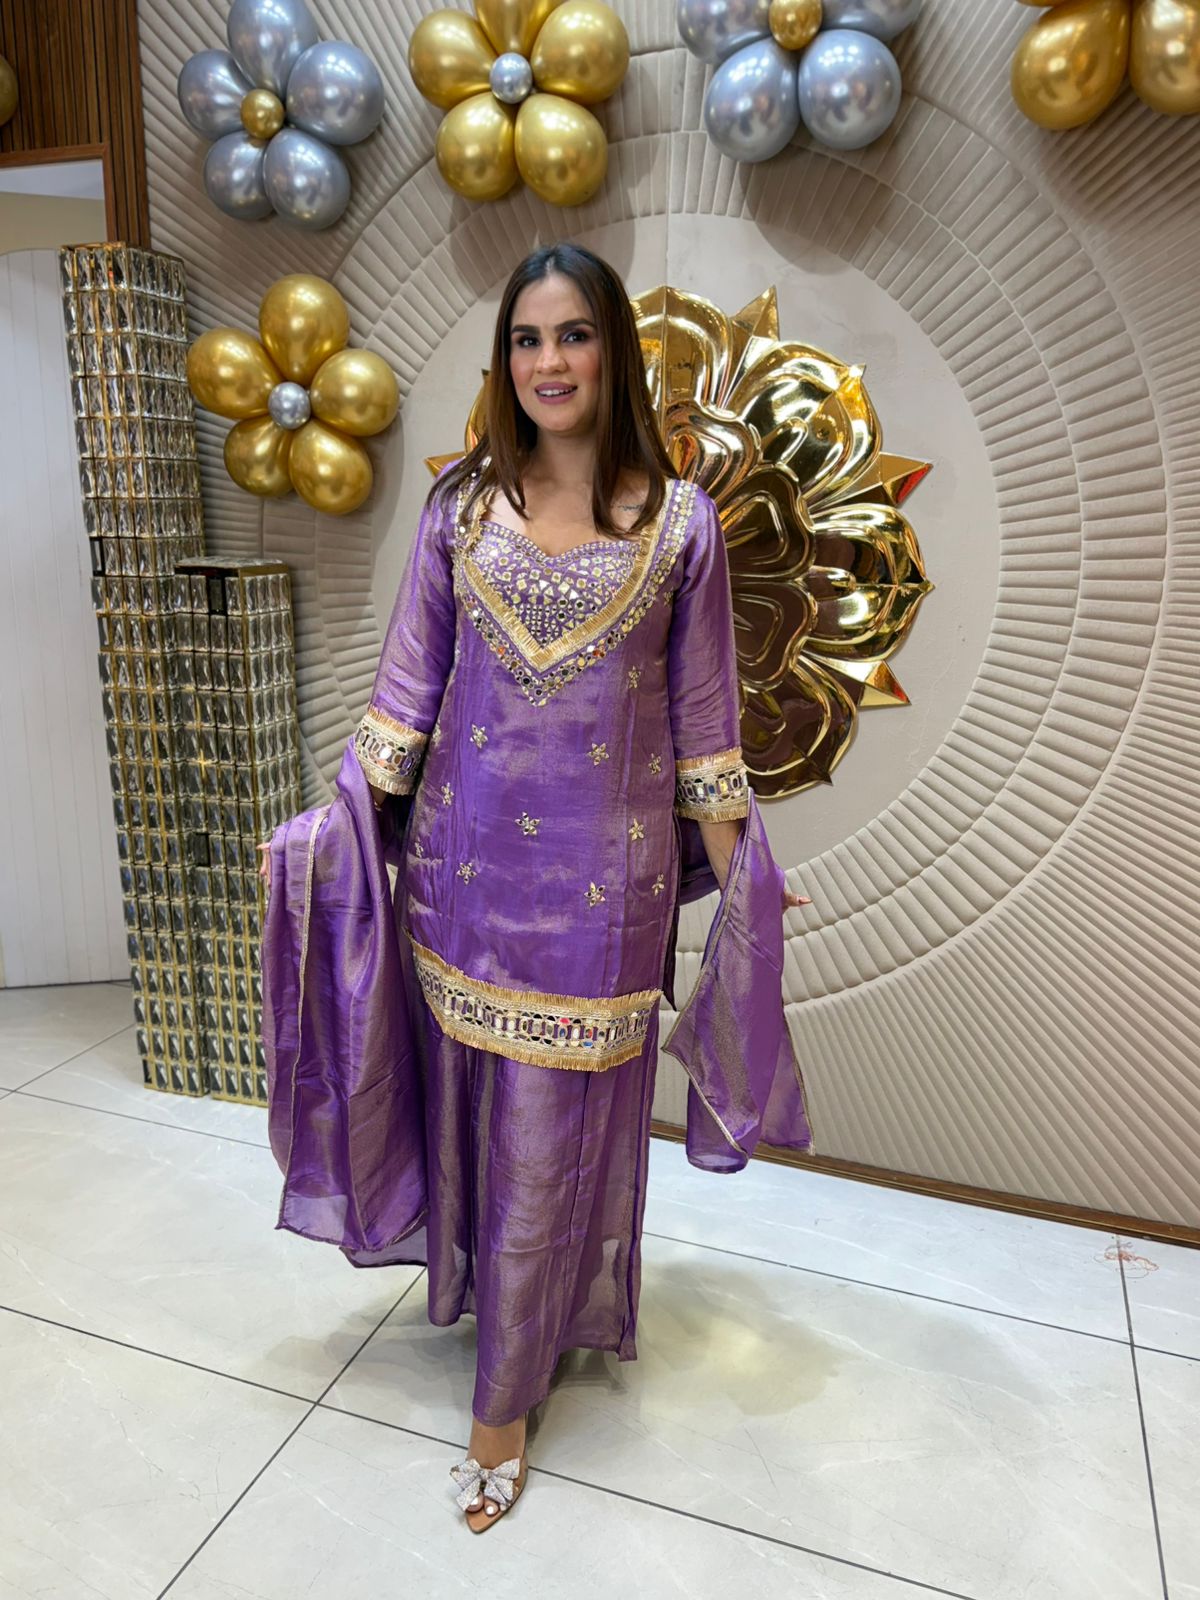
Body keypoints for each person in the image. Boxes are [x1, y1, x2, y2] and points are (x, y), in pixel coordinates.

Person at [258, 242, 815, 1534]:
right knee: (481, 1122)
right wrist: (327, 837)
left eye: (573, 335)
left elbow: (704, 732)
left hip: (601, 905)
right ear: (504, 359)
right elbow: (405, 701)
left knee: (552, 1135)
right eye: (526, 339)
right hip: (464, 885)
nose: (549, 362)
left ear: (613, 350)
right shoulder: (459, 509)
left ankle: (501, 1408)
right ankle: (508, 1320)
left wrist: (745, 873)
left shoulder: (681, 526)